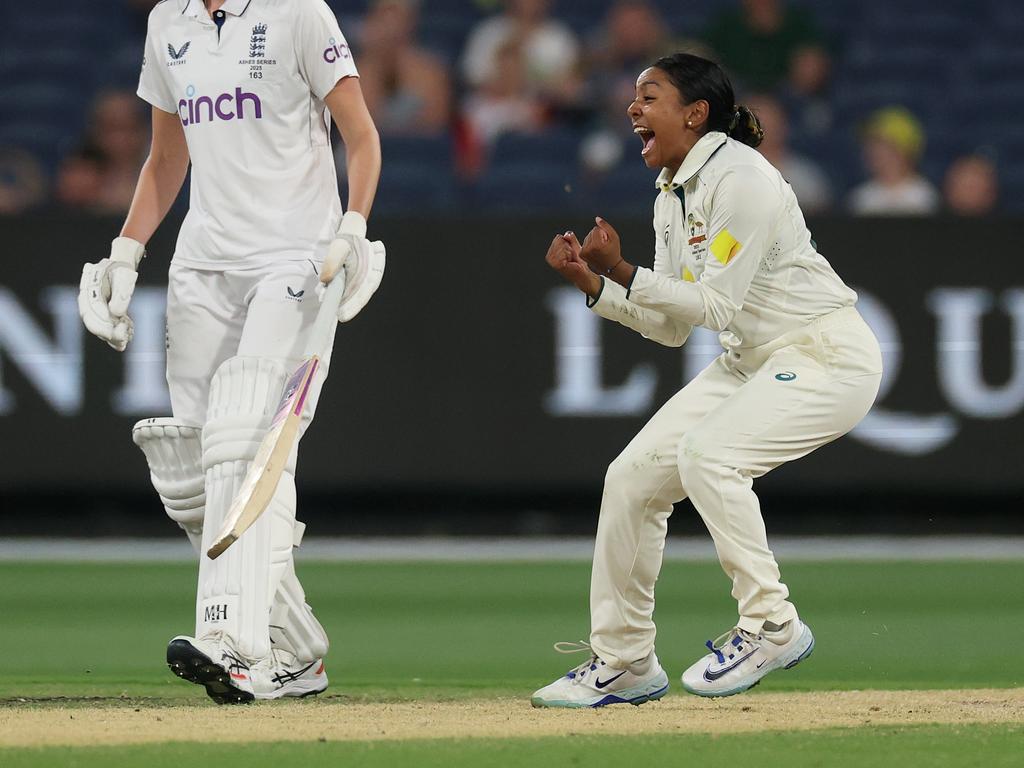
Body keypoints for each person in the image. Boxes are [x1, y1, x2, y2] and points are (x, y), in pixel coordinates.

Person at [535, 52, 882, 707]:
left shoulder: (742, 178)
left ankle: (772, 624)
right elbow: (672, 325)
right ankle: (626, 661)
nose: (633, 109)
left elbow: (714, 305)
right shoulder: (672, 192)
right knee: (633, 479)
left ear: (695, 113)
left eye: (650, 97)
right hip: (751, 362)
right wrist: (595, 284)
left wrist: (627, 271)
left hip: (825, 356)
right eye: (634, 98)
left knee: (709, 457)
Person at [76, 0, 383, 704]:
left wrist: (353, 228)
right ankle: (297, 651)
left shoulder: (300, 13)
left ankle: (234, 644)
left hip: (297, 256)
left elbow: (361, 137)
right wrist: (126, 252)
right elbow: (165, 157)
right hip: (203, 266)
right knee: (193, 470)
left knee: (248, 438)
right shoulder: (167, 23)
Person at [356, 0, 452, 136]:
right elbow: (357, 121)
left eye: (398, 17)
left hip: (418, 150)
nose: (391, 26)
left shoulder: (432, 72)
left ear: (411, 22)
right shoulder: (356, 72)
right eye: (384, 17)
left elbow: (436, 121)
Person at [848, 107, 939, 216]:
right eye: (870, 145)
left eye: (883, 145)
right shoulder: (860, 198)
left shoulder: (925, 196)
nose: (873, 152)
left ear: (905, 150)